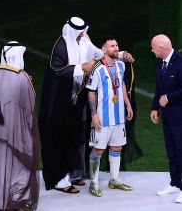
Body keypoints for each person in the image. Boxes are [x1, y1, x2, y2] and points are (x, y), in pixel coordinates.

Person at [38, 17, 133, 193]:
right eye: (79, 32)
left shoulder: (84, 40)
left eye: (83, 31)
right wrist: (81, 67)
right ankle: (59, 179)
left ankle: (73, 173)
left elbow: (99, 53)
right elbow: (56, 70)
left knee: (75, 135)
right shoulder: (60, 45)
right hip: (60, 99)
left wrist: (120, 54)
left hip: (77, 96)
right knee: (60, 136)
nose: (82, 34)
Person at [0, 41, 39, 211]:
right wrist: (27, 81)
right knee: (25, 155)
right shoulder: (21, 76)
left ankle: (1, 199)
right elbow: (29, 102)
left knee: (0, 160)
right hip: (17, 128)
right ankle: (20, 197)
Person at [150, 34, 182, 204]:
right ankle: (175, 183)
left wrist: (168, 98)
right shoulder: (160, 62)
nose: (152, 50)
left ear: (162, 48)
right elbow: (159, 87)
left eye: (153, 47)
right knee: (171, 152)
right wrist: (155, 107)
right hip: (168, 115)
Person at [87, 35, 134, 197]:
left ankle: (114, 180)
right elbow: (91, 92)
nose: (116, 48)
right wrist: (93, 114)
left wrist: (128, 104)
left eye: (117, 45)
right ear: (104, 50)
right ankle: (93, 182)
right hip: (103, 117)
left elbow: (121, 85)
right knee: (98, 150)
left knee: (117, 147)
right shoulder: (97, 69)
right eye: (112, 46)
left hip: (119, 116)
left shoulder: (121, 65)